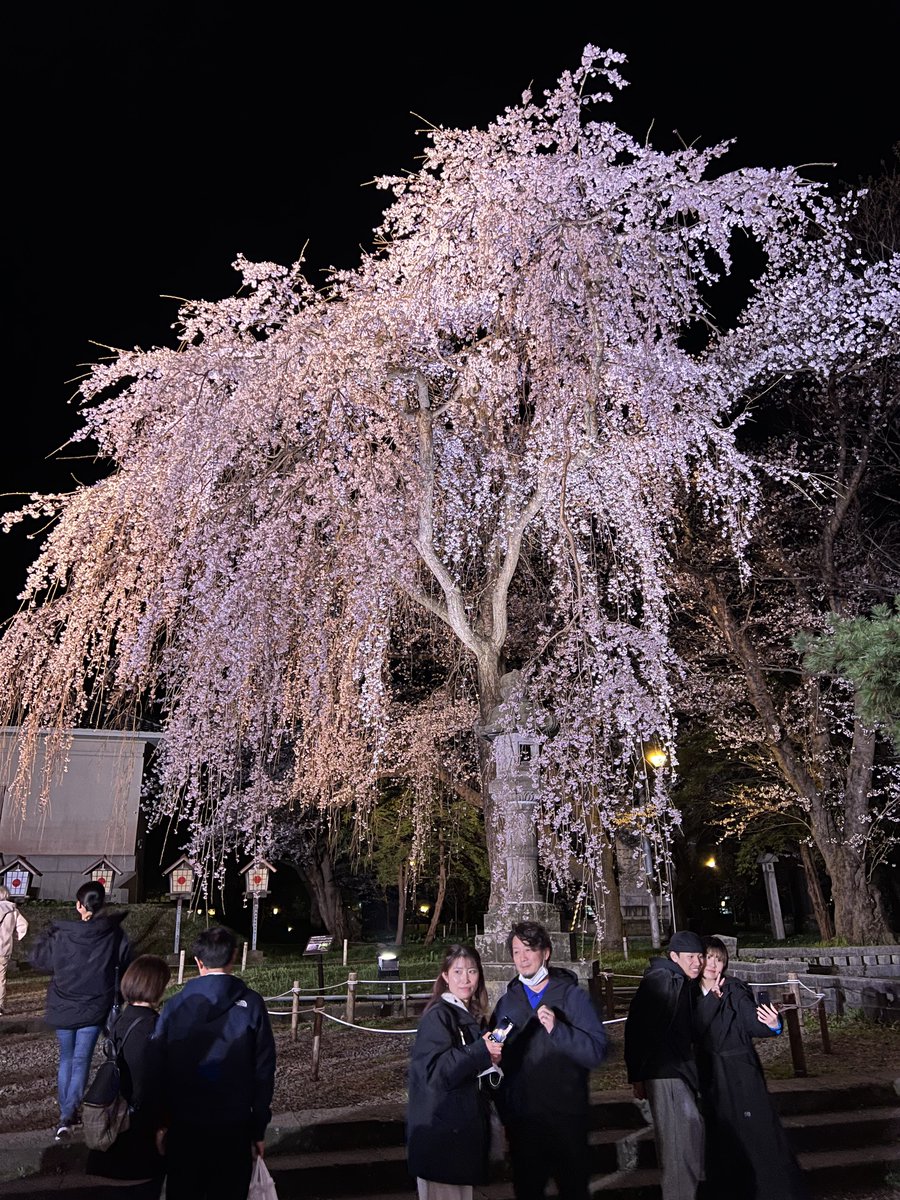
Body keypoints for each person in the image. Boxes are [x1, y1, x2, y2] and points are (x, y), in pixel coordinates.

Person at [150, 924, 276, 1200]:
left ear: (198, 961)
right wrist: (258, 1127)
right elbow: (264, 1070)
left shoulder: (175, 1006)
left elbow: (158, 1068)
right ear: (233, 957)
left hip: (184, 1123)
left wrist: (161, 1121)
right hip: (234, 1123)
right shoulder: (251, 1004)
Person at [489, 920, 608, 1200]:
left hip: (566, 1119)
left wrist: (559, 1030)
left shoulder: (572, 997)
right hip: (524, 1123)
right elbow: (496, 1057)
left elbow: (596, 1050)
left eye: (529, 950)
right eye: (516, 952)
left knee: (574, 1190)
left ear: (546, 953)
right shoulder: (508, 1002)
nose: (522, 958)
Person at [695, 936, 808, 1200]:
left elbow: (750, 1018)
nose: (713, 965)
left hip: (740, 1071)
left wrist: (772, 1025)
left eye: (719, 960)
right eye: (709, 958)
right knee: (719, 1135)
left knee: (758, 1132)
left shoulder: (734, 988)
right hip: (709, 1072)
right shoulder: (689, 991)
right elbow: (694, 1027)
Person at [29, 880, 131, 1140]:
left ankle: (66, 1113)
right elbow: (125, 963)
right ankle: (68, 1112)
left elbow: (40, 960)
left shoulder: (63, 933)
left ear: (79, 905)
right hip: (94, 1003)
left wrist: (46, 935)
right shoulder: (113, 933)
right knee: (81, 1058)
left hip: (64, 1002)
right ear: (101, 905)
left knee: (66, 1058)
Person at [406, 944, 502, 1200]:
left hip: (458, 1134)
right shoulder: (439, 1016)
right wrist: (480, 1050)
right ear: (445, 977)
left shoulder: (467, 1015)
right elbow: (436, 1072)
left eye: (472, 971)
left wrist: (491, 1060)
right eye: (457, 971)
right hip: (442, 1135)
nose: (465, 979)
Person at [623, 929, 705, 1200]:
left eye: (700, 956)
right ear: (674, 956)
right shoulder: (662, 980)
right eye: (691, 956)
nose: (698, 962)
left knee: (689, 1135)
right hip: (665, 1071)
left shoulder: (683, 982)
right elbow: (637, 1028)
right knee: (677, 1145)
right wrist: (637, 1074)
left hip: (681, 1071)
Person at [86, 953, 172, 1197]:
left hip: (113, 1122)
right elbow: (151, 1087)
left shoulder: (121, 1019)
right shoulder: (154, 1028)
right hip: (137, 1141)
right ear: (157, 987)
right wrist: (162, 1128)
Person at [0, 884, 29, 1015]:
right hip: (4, 948)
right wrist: (15, 937)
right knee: (1, 978)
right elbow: (24, 925)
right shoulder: (13, 910)